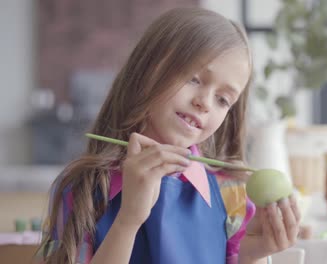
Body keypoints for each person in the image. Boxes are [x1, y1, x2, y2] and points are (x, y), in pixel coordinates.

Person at [36, 7, 301, 264]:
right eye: (194, 79)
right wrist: (128, 220)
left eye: (222, 99)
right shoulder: (81, 189)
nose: (205, 103)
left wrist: (252, 255)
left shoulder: (231, 194)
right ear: (147, 70)